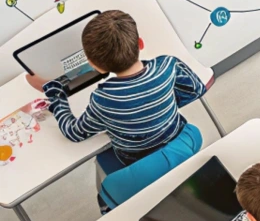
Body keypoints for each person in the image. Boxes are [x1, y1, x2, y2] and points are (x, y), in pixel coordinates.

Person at [26, 9, 206, 166]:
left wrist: (53, 91)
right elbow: (196, 89)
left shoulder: (103, 99)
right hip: (181, 139)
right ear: (140, 43)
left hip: (137, 161)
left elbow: (74, 132)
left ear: (95, 65)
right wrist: (159, 108)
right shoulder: (168, 65)